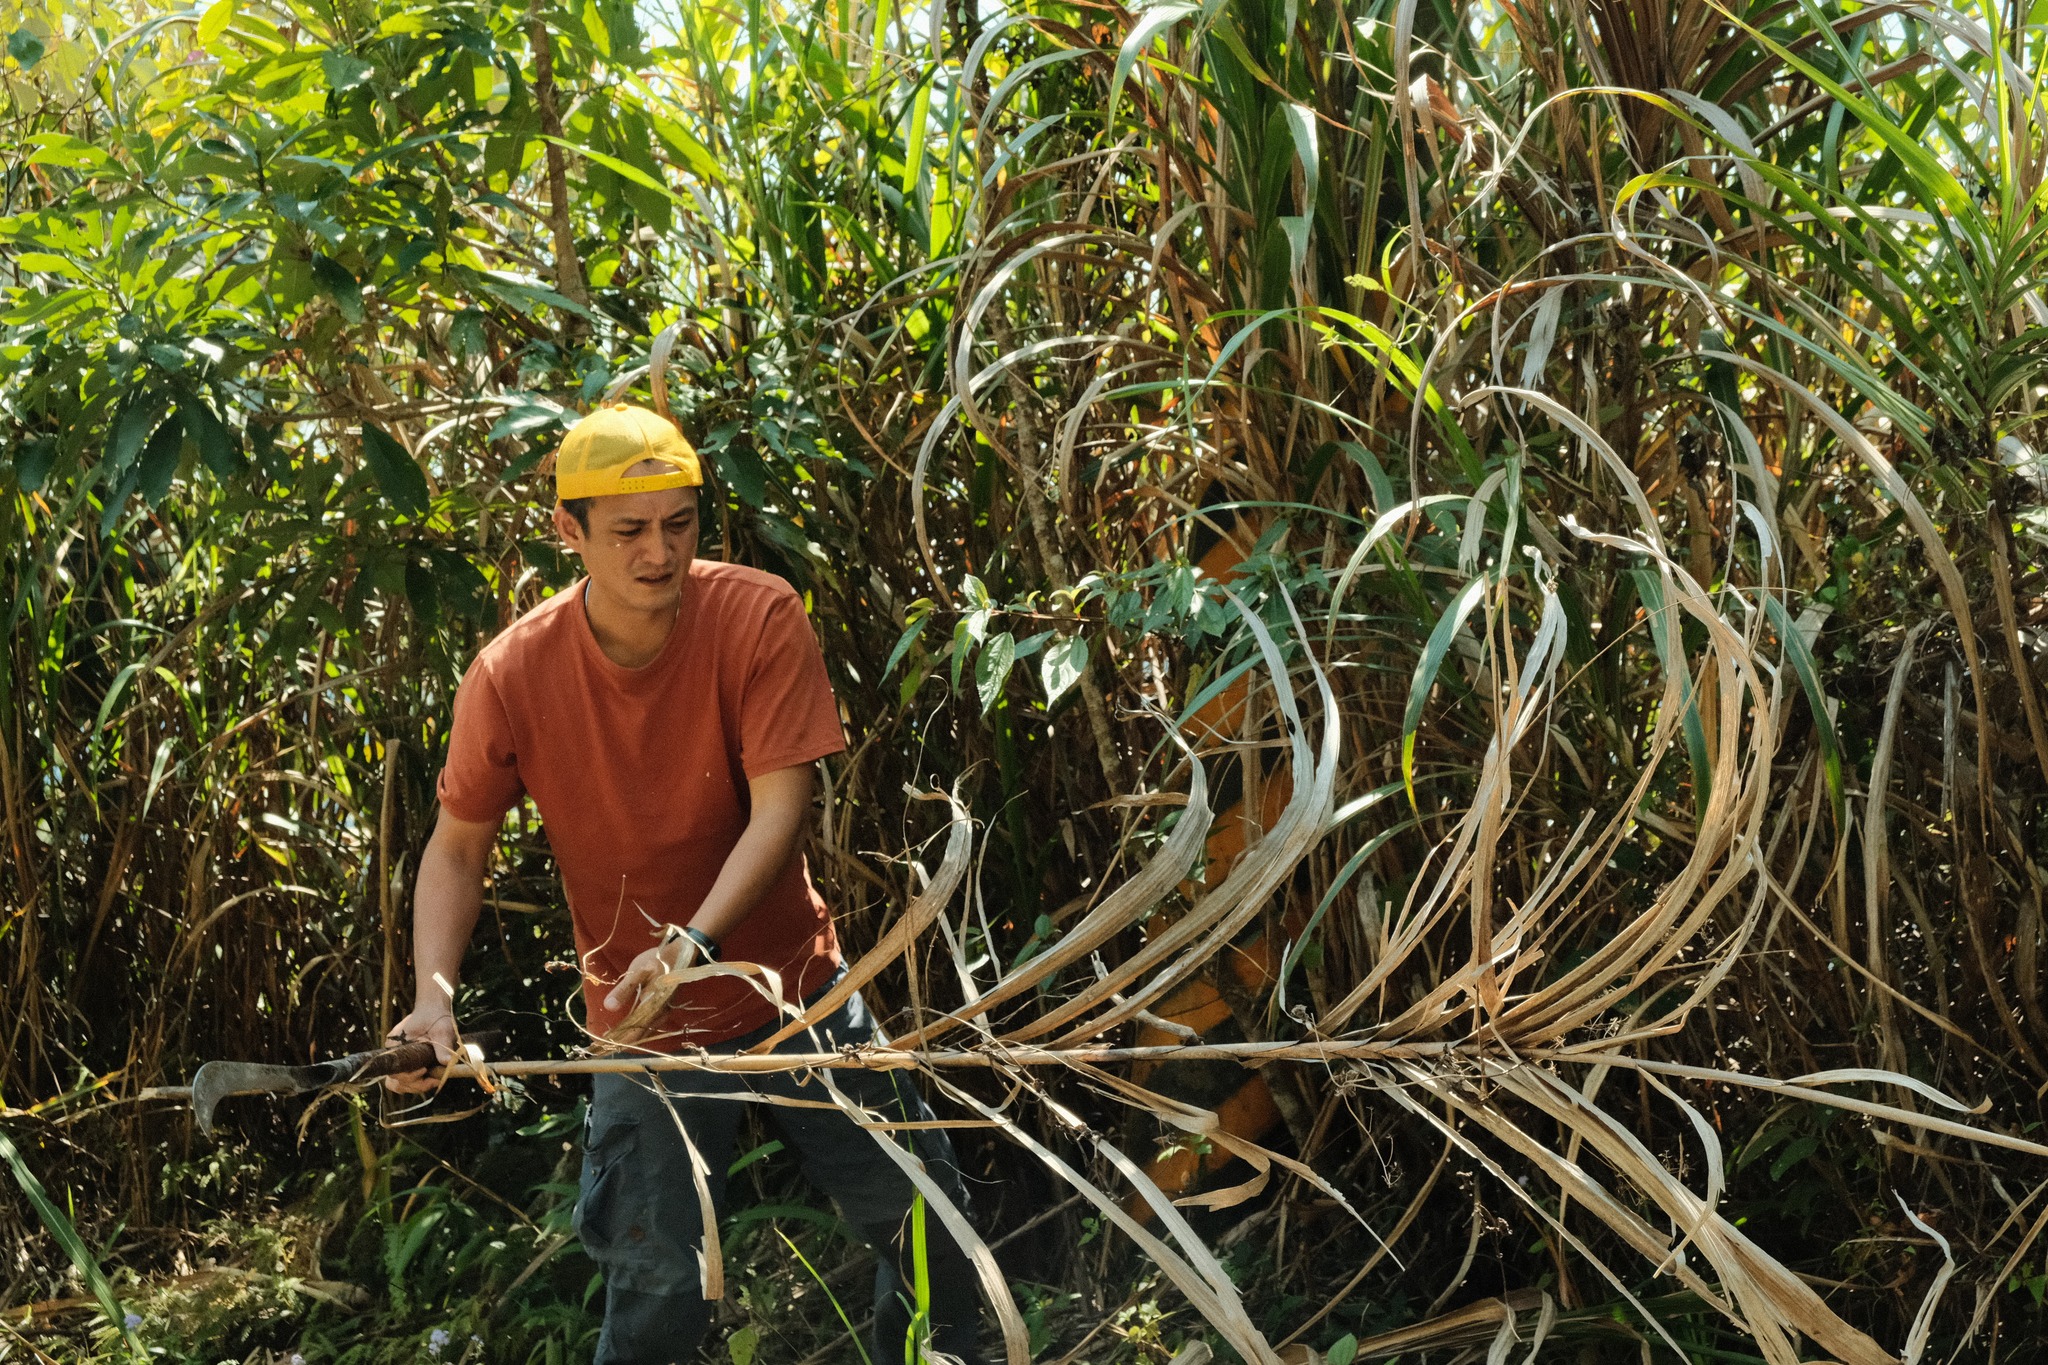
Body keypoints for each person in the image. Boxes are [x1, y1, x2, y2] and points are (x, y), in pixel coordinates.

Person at [383, 403, 986, 1364]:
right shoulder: (510, 674)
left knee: (929, 1230)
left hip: (793, 986)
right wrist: (432, 1002)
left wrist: (694, 944)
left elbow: (780, 808)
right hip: (642, 1020)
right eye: (628, 530)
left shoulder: (758, 614)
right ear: (568, 530)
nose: (659, 553)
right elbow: (457, 849)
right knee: (657, 1280)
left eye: (679, 524)